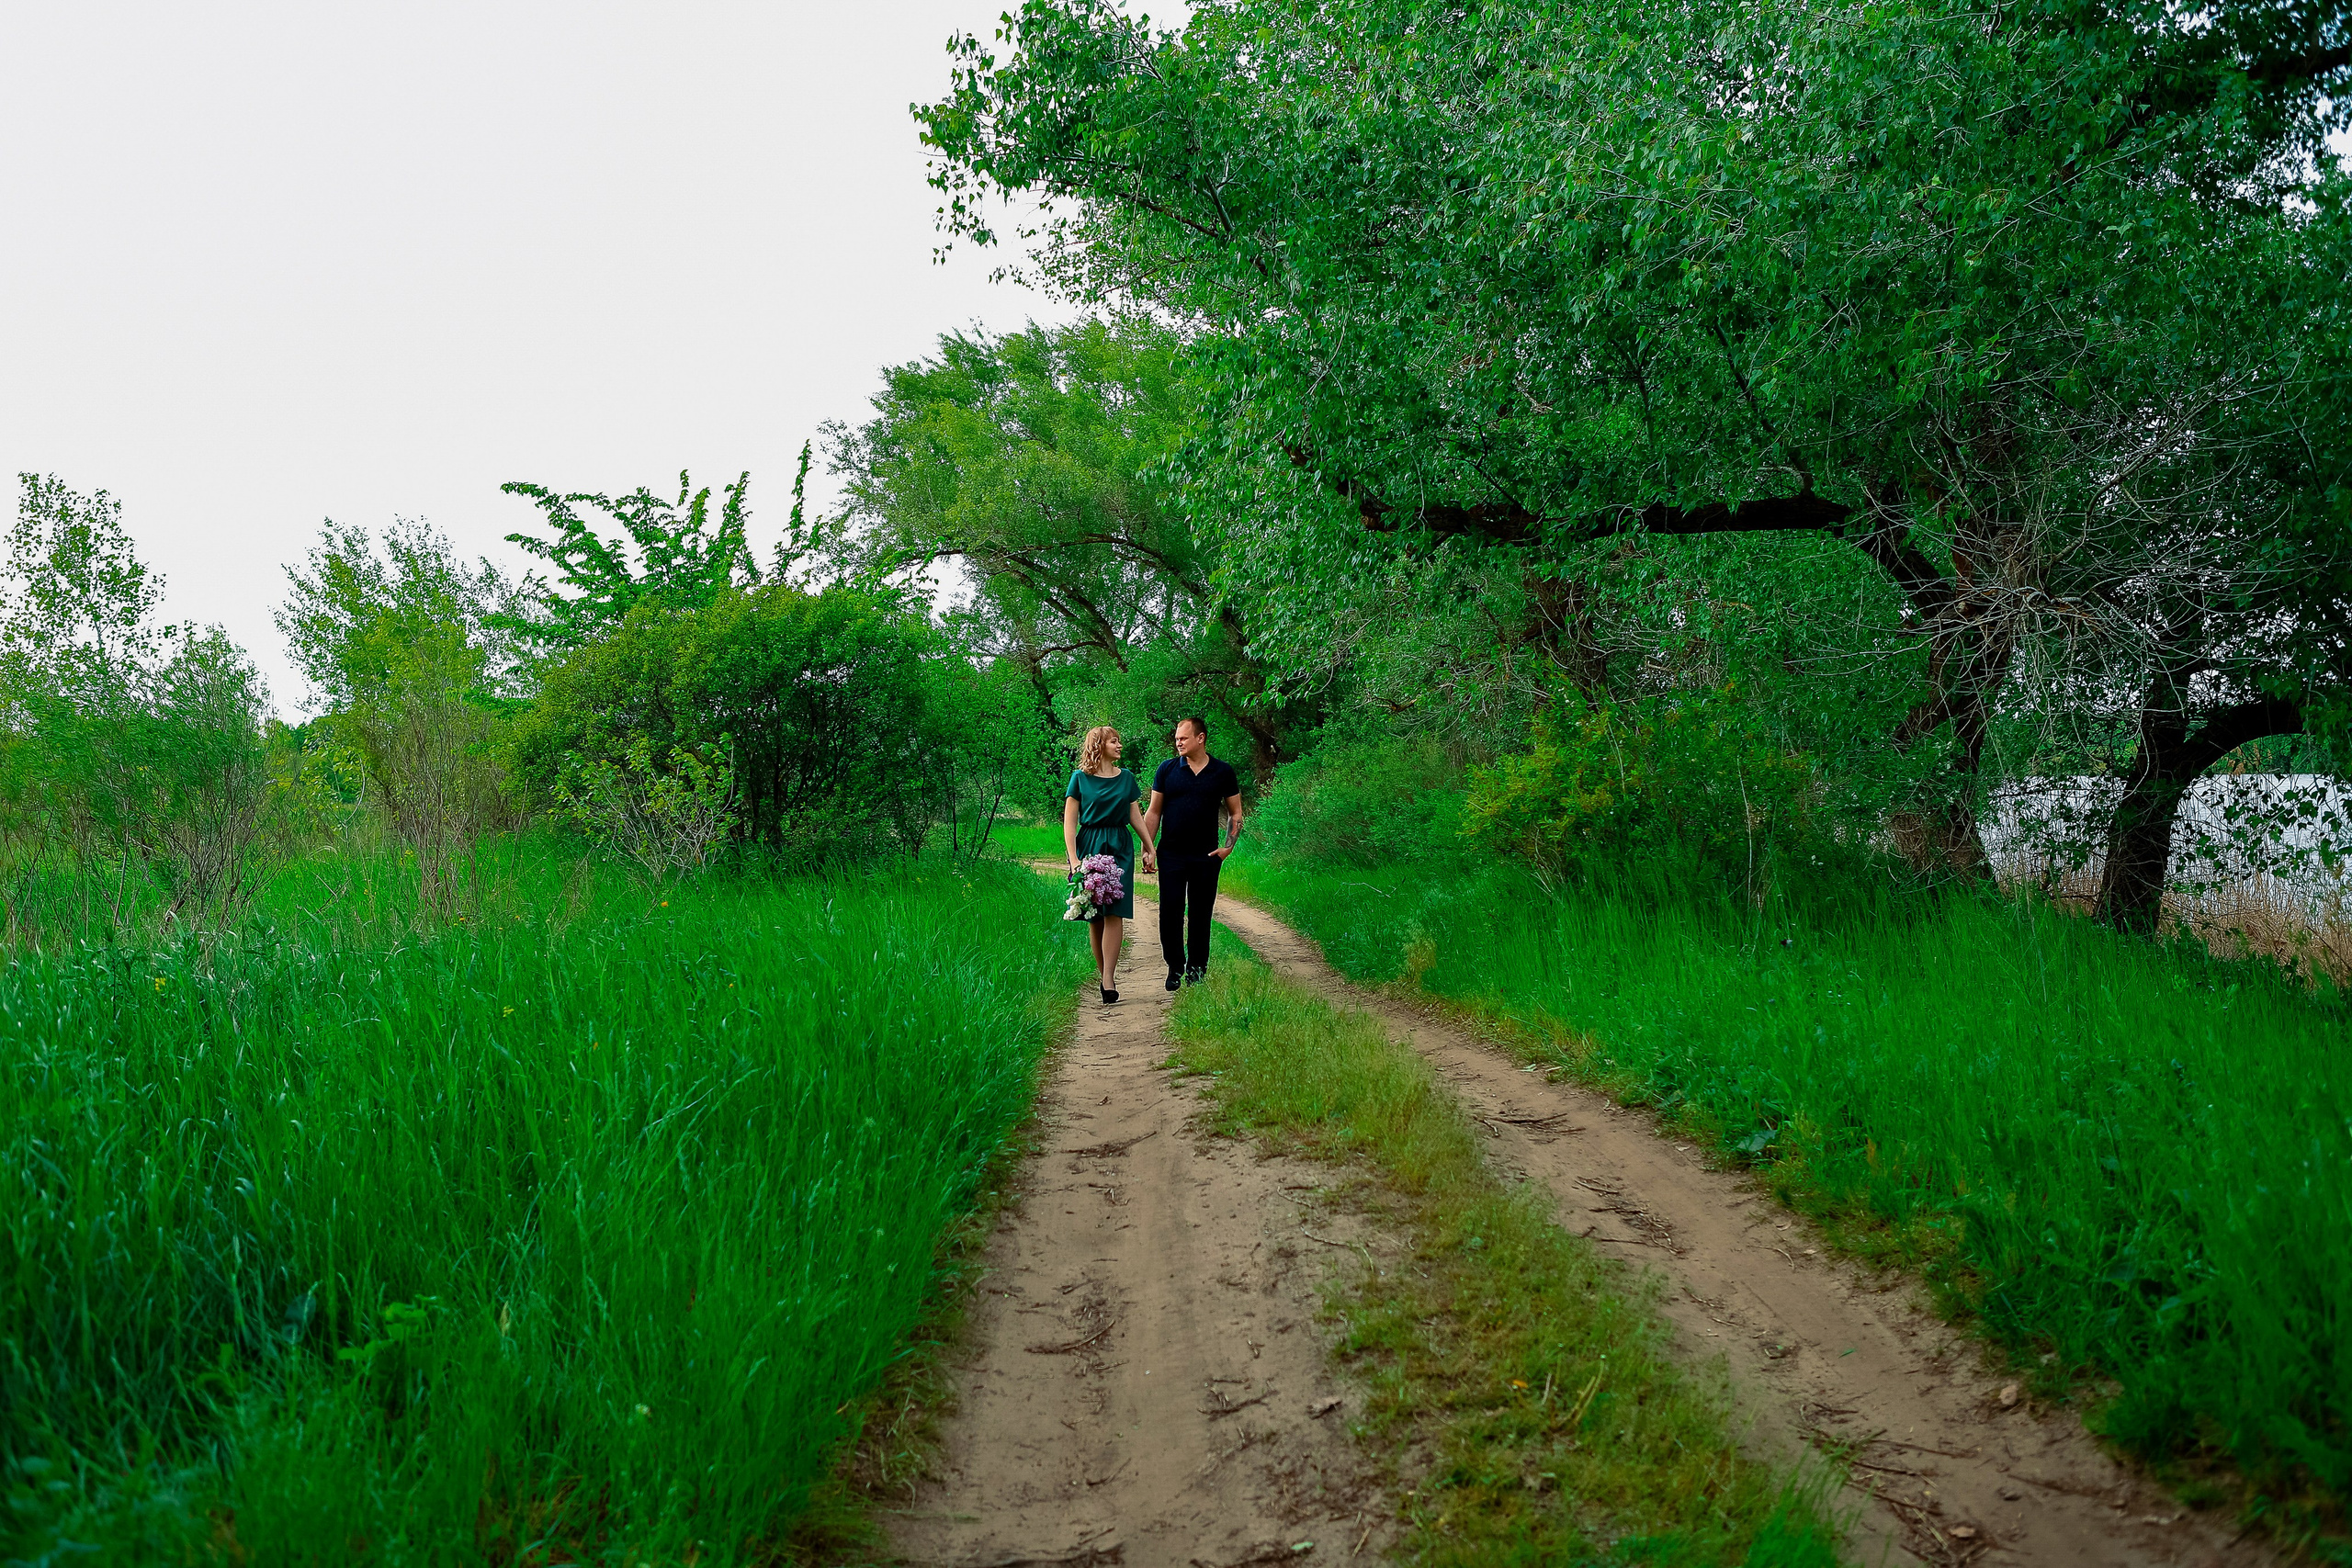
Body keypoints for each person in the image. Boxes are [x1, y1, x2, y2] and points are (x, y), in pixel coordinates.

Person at [1143, 716, 1243, 989]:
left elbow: (1236, 813)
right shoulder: (1167, 770)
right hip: (1171, 854)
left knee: (1201, 914)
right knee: (1170, 911)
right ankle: (1175, 967)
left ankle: (1197, 970)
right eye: (1177, 738)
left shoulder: (1222, 772)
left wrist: (1227, 848)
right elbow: (1153, 811)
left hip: (1206, 857)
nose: (1178, 743)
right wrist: (1148, 848)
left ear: (1201, 738)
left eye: (1183, 738)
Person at [1064, 725, 1156, 1004]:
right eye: (1114, 741)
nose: (1119, 745)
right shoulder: (1080, 779)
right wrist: (1074, 860)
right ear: (1099, 746)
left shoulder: (1126, 778)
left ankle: (1108, 979)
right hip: (1090, 844)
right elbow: (1070, 823)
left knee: (1115, 910)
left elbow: (1135, 816)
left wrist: (1150, 847)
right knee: (1095, 915)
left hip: (1119, 846)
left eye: (1119, 741)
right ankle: (1103, 972)